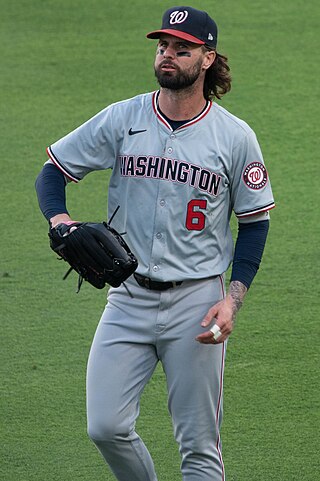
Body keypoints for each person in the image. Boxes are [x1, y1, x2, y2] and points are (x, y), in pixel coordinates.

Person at [35, 5, 275, 481]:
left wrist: (232, 300)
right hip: (127, 297)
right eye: (163, 46)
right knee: (105, 426)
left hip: (198, 303)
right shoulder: (123, 118)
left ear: (206, 59)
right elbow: (53, 172)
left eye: (181, 48)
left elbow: (255, 222)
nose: (167, 54)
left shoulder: (234, 137)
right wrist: (60, 220)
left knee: (199, 448)